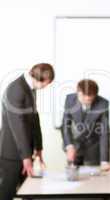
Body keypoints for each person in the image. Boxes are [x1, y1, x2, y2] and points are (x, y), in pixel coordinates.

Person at [0, 63, 54, 200]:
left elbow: (34, 120)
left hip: (25, 152)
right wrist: (26, 157)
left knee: (28, 192)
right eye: (46, 84)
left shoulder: (30, 88)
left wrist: (39, 148)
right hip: (11, 154)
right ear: (38, 79)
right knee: (7, 193)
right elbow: (18, 127)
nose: (45, 87)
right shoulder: (16, 89)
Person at [61, 79, 110, 171]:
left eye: (90, 98)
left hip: (93, 146)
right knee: (73, 174)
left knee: (93, 178)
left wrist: (105, 161)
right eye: (83, 97)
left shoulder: (103, 103)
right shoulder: (70, 99)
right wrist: (69, 146)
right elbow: (66, 125)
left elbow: (104, 132)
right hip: (74, 144)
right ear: (78, 92)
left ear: (95, 95)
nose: (86, 99)